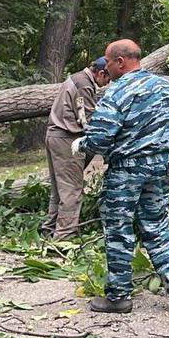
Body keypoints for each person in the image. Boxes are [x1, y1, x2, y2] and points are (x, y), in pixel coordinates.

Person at [72, 39, 169, 313]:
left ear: (120, 61)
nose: (105, 68)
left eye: (107, 62)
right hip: (159, 169)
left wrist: (82, 145)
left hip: (126, 170)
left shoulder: (117, 92)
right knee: (158, 227)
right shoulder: (167, 88)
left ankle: (118, 297)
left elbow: (101, 137)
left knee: (119, 231)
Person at [42, 56, 111, 240]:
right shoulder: (84, 85)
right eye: (108, 79)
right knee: (72, 190)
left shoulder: (77, 78)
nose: (106, 84)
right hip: (67, 138)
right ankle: (64, 237)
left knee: (59, 190)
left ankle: (49, 230)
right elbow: (88, 120)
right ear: (101, 72)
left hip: (55, 135)